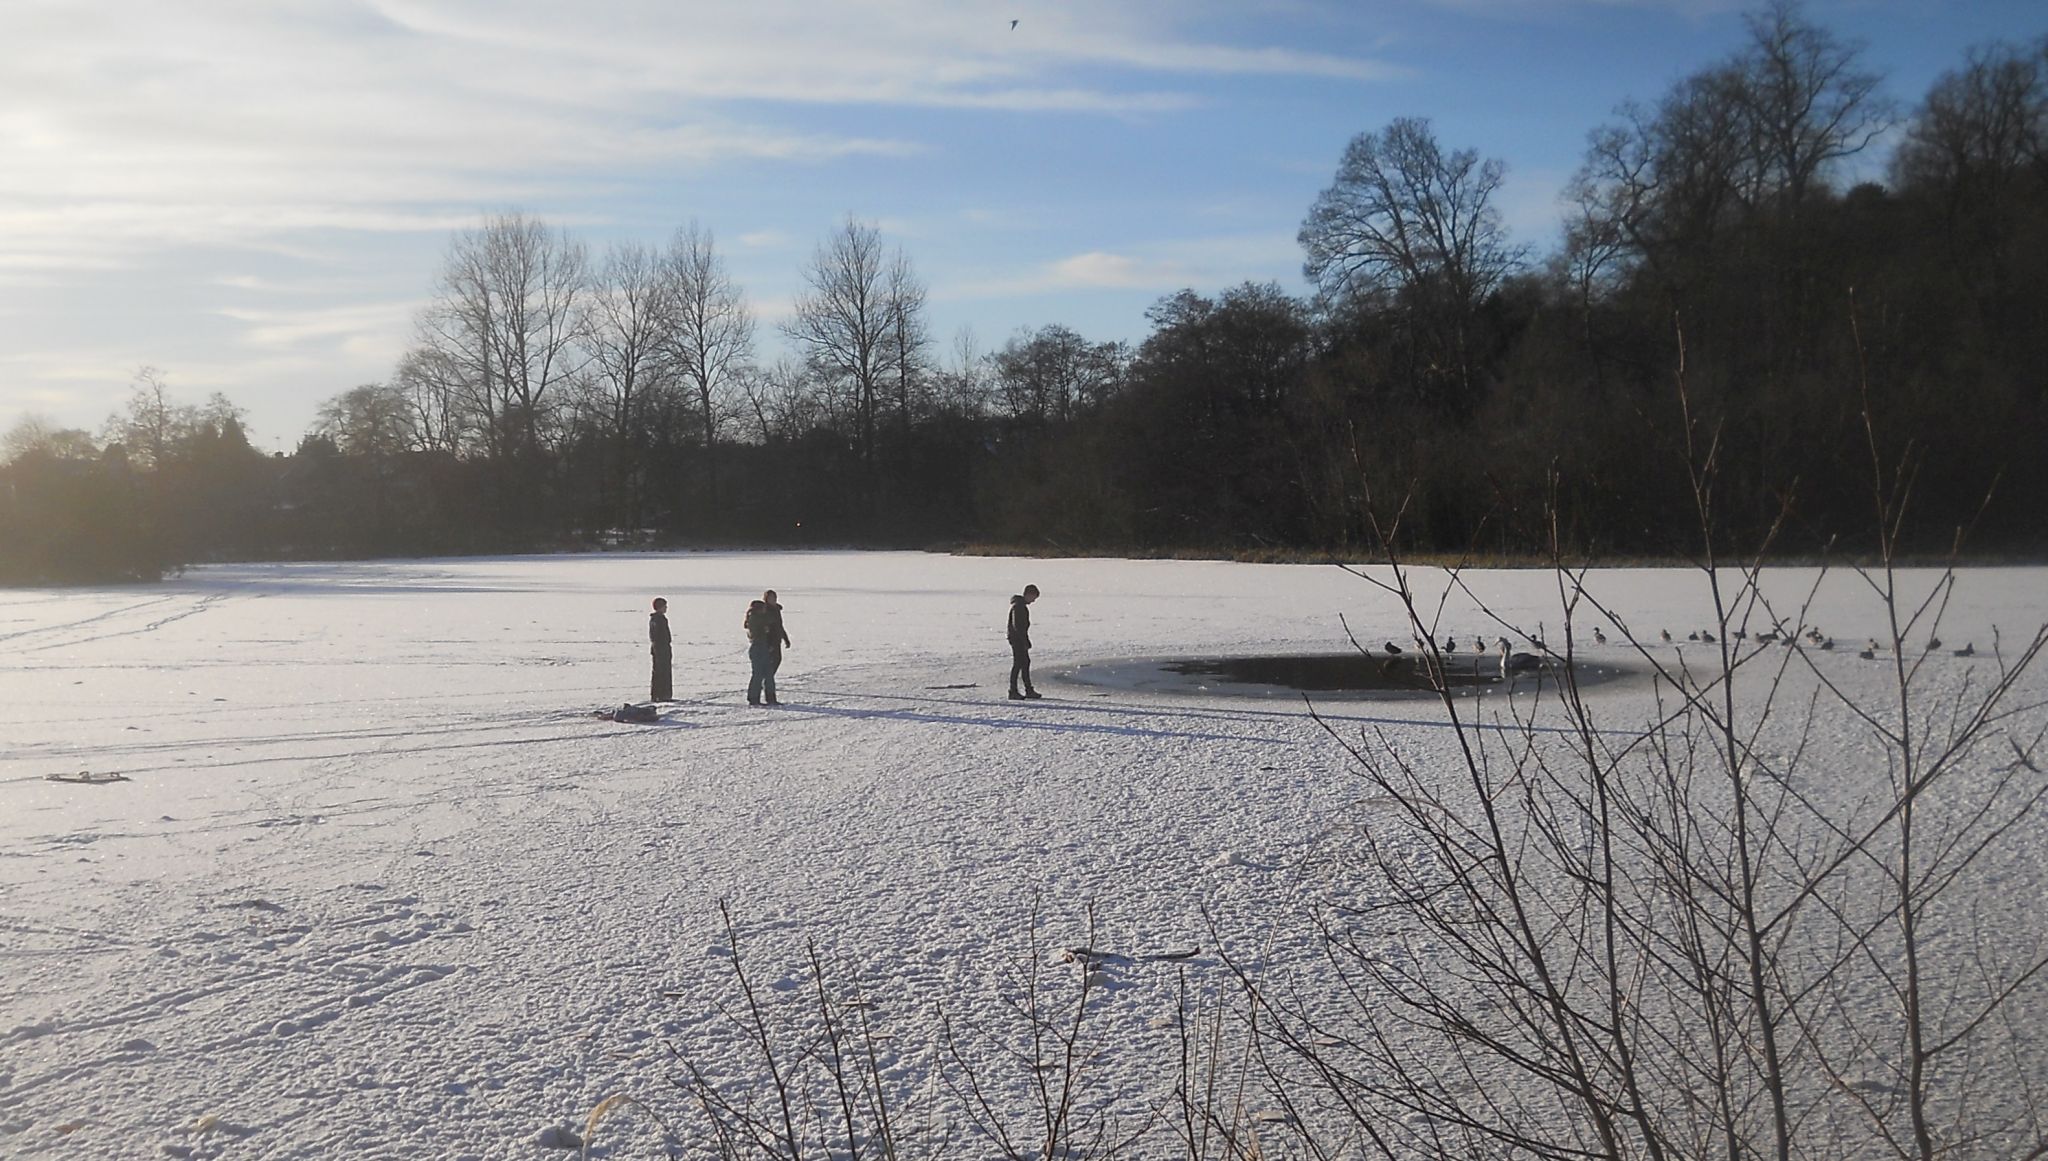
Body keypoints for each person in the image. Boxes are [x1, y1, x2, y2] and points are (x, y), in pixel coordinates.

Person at [743, 589, 792, 706]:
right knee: (759, 673)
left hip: (767, 645)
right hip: (761, 646)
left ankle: (770, 697)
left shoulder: (768, 614)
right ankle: (754, 697)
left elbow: (778, 626)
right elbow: (769, 624)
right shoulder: (758, 617)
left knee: (768, 673)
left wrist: (784, 638)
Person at [1008, 584, 1041, 699]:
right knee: (1018, 664)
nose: (1033, 601)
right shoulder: (1018, 607)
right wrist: (1024, 641)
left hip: (1019, 639)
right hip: (1017, 640)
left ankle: (1028, 689)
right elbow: (1018, 626)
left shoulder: (1020, 606)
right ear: (1028, 594)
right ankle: (1013, 691)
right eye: (1033, 598)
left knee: (1025, 663)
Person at [649, 597, 673, 702]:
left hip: (658, 648)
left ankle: (658, 695)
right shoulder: (659, 619)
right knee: (662, 672)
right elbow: (660, 636)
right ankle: (663, 695)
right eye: (664, 606)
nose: (666, 608)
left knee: (659, 672)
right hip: (661, 649)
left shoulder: (655, 619)